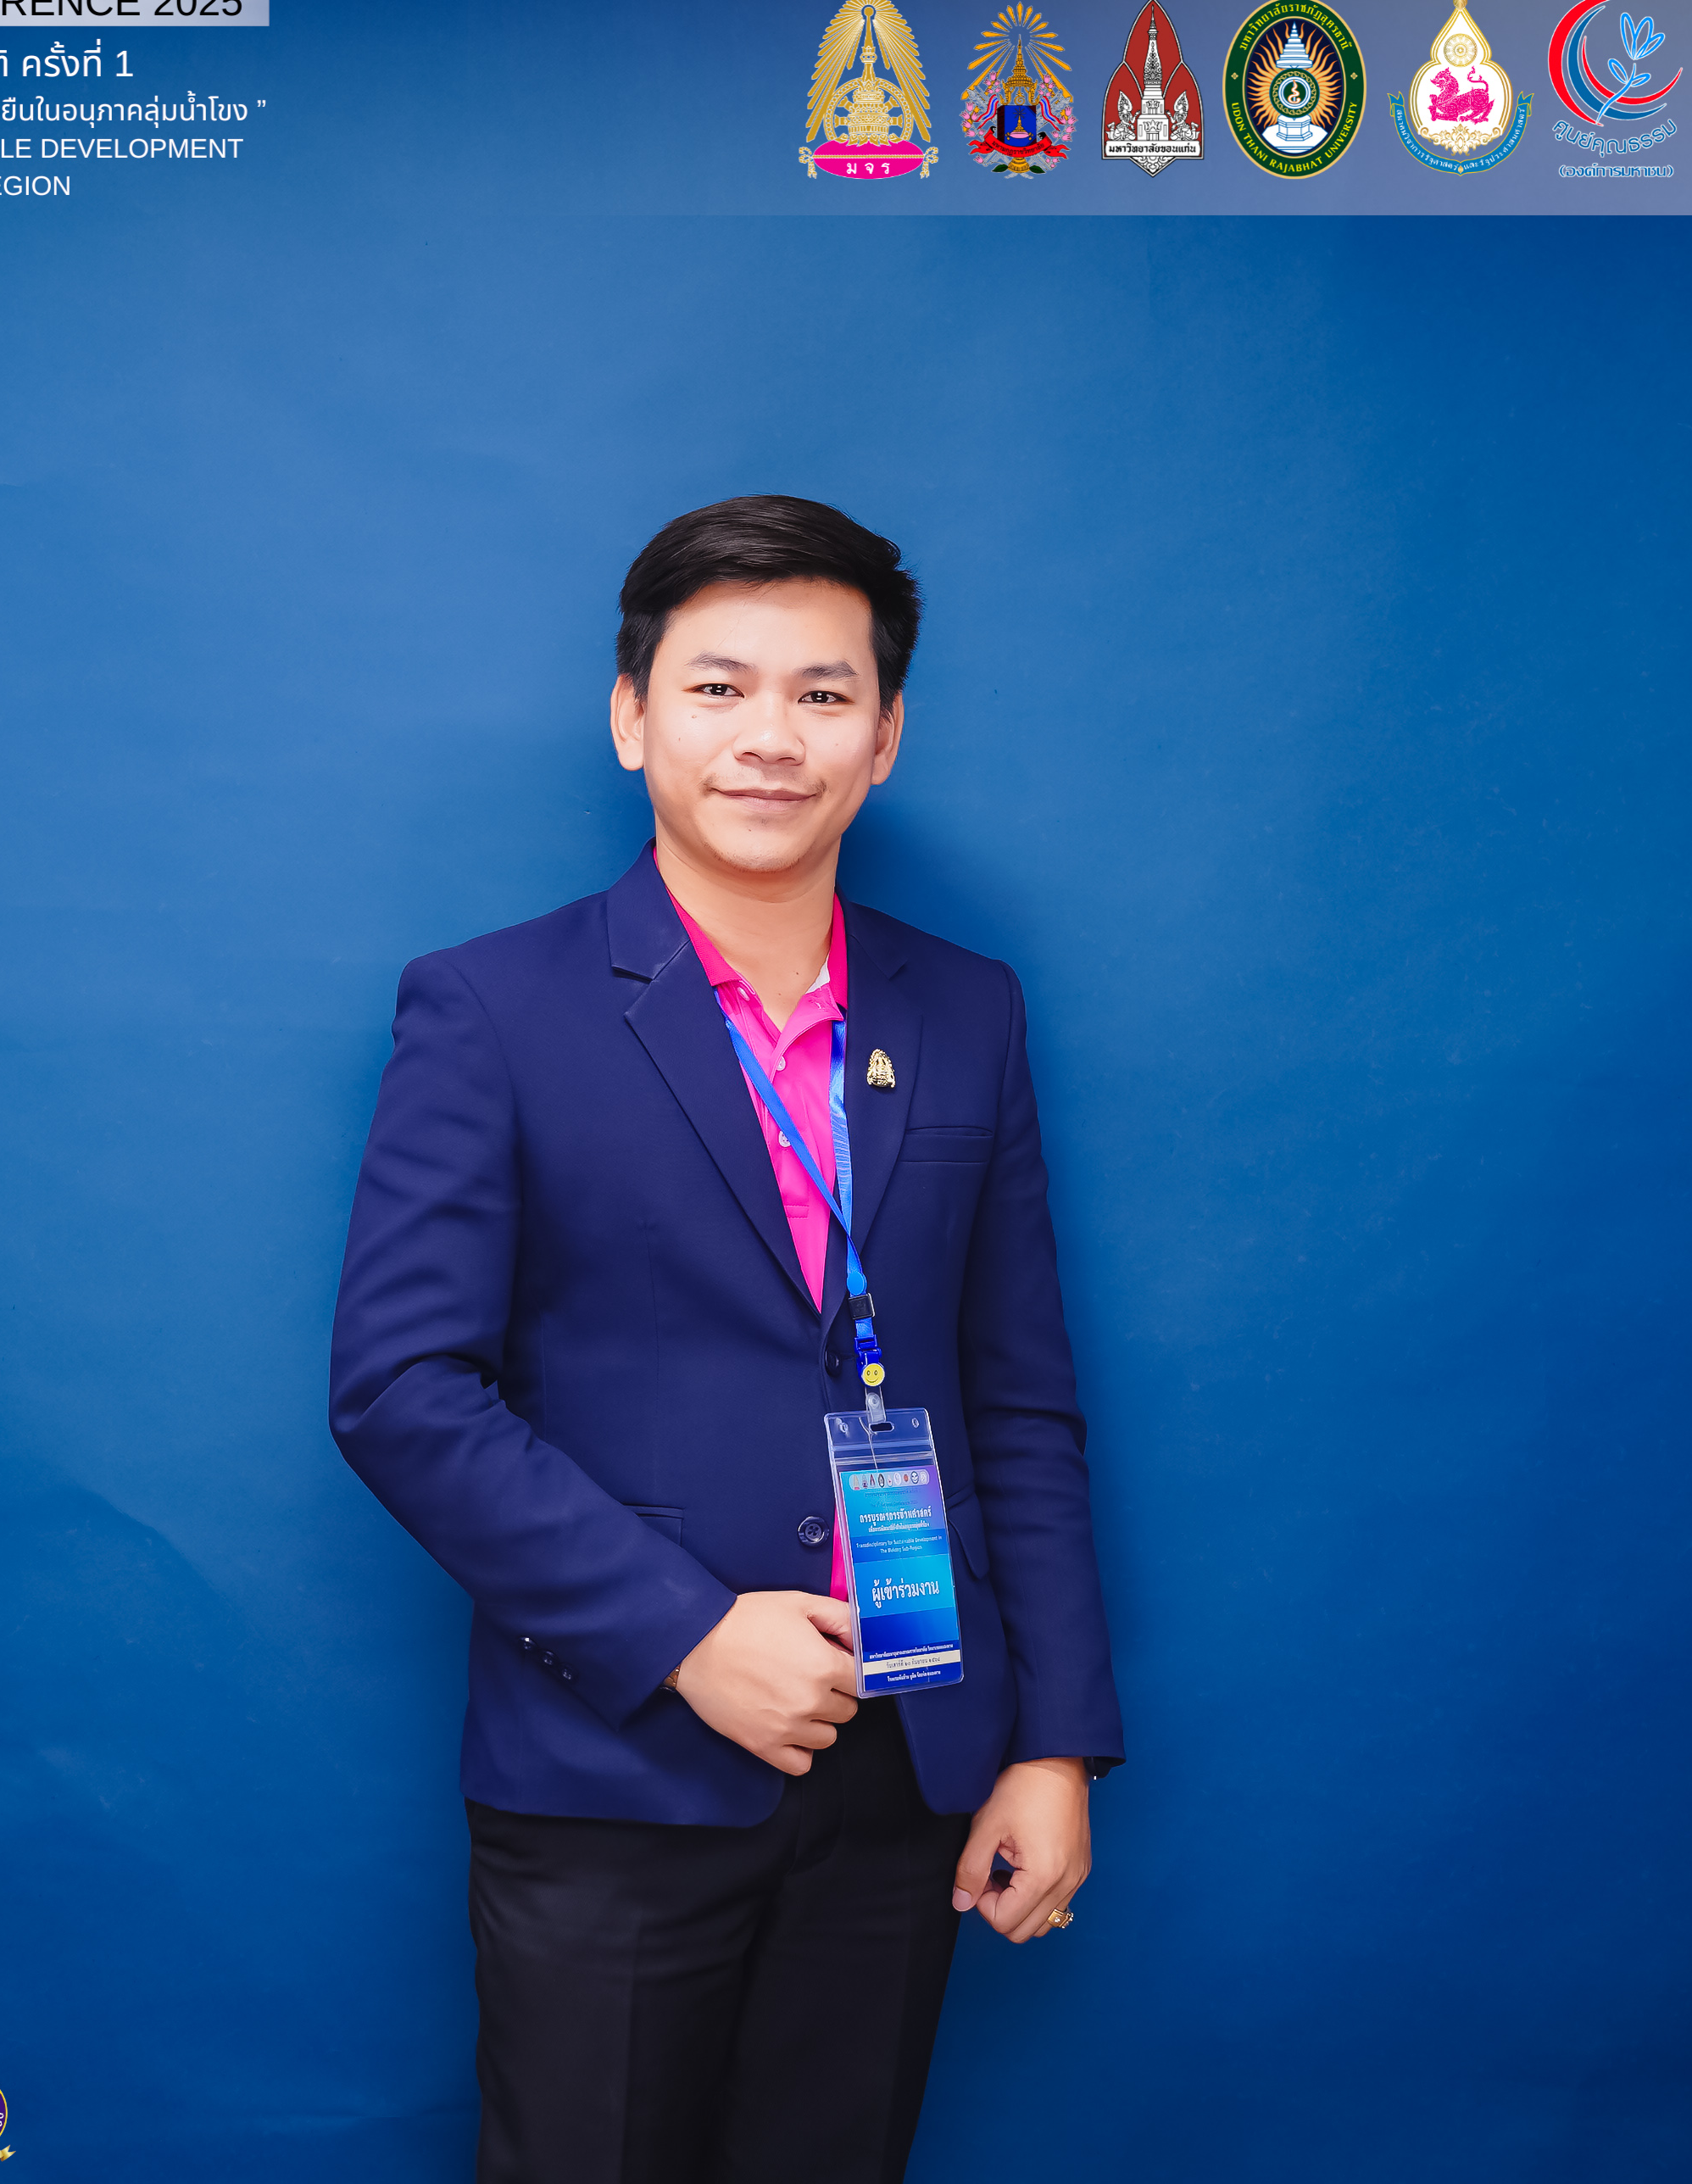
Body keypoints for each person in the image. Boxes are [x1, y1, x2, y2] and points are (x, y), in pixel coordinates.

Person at [330, 496, 1124, 2184]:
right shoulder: (492, 1006)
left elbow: (1018, 1399)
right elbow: (401, 1391)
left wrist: (1050, 1741)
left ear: (886, 737)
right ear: (632, 717)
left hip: (909, 1754)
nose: (772, 735)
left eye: (825, 694)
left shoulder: (965, 1008)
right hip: (616, 1763)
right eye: (718, 687)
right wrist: (686, 1634)